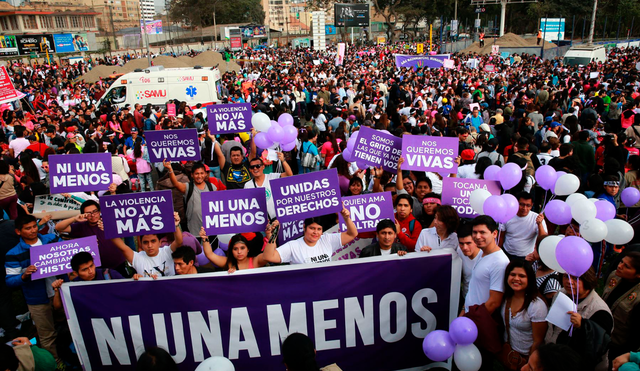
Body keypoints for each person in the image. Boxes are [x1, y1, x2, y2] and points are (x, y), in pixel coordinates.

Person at [4, 215, 61, 363]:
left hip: (61, 293)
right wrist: (24, 275)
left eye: (34, 226)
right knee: (47, 335)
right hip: (37, 300)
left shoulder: (51, 239)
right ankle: (53, 362)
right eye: (27, 228)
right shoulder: (13, 254)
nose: (33, 230)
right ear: (18, 232)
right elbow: (10, 281)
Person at [545, 268, 613, 371]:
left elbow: (598, 346)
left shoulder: (600, 311)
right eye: (565, 276)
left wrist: (583, 326)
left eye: (575, 278)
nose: (569, 281)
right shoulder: (560, 294)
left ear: (587, 280)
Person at [55, 200, 129, 277]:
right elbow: (58, 227)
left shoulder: (109, 220)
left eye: (95, 211)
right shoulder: (80, 226)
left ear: (99, 211)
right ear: (83, 214)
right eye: (88, 213)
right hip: (97, 268)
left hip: (118, 263)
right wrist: (74, 219)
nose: (92, 215)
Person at [262, 207, 358, 265]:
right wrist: (273, 234)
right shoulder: (293, 246)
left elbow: (352, 234)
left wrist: (346, 218)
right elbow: (268, 257)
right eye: (312, 228)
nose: (315, 232)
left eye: (319, 229)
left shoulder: (327, 239)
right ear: (304, 227)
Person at [498, 261, 548, 370]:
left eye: (522, 276)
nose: (516, 279)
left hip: (525, 360)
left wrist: (529, 365)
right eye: (513, 275)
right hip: (508, 356)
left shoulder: (536, 306)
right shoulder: (506, 298)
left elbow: (538, 341)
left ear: (529, 279)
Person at [108, 212, 183, 277]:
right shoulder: (137, 258)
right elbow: (122, 248)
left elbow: (179, 242)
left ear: (160, 242)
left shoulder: (167, 251)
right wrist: (109, 229)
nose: (149, 245)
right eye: (145, 242)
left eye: (153, 241)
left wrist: (175, 225)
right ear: (141, 244)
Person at [464, 215, 510, 314]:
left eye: (482, 232)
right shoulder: (482, 252)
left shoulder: (499, 262)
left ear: (494, 233)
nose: (477, 236)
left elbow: (494, 302)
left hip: (479, 320)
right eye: (475, 232)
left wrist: (473, 320)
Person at [163, 161, 223, 235]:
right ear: (192, 175)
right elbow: (175, 183)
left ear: (205, 174)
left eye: (201, 173)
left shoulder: (212, 187)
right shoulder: (188, 187)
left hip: (210, 229)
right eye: (197, 173)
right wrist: (170, 169)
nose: (199, 176)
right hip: (193, 229)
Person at [601, 252, 640, 361]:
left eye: (626, 266)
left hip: (616, 346)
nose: (620, 266)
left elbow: (635, 335)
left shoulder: (638, 298)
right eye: (621, 261)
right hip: (598, 333)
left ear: (638, 274)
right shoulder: (614, 275)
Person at [51, 251, 124, 309]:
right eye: (84, 269)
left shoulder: (109, 274)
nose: (91, 271)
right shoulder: (74, 286)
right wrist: (57, 290)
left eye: (91, 266)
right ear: (76, 273)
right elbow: (57, 306)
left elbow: (128, 289)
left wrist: (134, 279)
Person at [498, 192, 548, 261]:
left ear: (532, 205)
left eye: (528, 205)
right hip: (507, 253)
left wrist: (539, 224)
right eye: (521, 204)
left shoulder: (536, 218)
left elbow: (543, 239)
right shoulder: (507, 216)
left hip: (527, 256)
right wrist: (498, 252)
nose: (524, 208)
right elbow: (501, 236)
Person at [244, 152, 292, 220]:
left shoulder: (271, 177)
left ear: (263, 167)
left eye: (258, 166)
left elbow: (289, 175)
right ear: (250, 170)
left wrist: (283, 160)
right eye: (252, 167)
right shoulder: (247, 185)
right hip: (260, 221)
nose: (255, 168)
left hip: (276, 219)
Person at [200, 227, 267, 272]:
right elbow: (210, 255)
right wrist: (205, 238)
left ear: (248, 249)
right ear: (231, 250)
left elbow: (269, 255)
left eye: (242, 248)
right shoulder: (229, 262)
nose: (239, 252)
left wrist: (271, 235)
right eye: (235, 249)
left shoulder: (255, 261)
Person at [457, 224, 482, 301]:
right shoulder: (459, 250)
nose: (464, 248)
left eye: (468, 243)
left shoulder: (484, 256)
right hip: (465, 297)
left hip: (481, 302)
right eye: (461, 243)